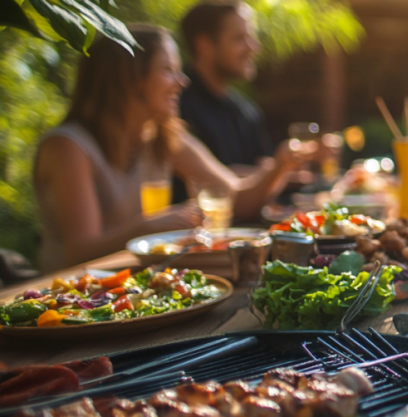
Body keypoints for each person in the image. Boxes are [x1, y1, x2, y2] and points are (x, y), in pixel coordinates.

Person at [34, 25, 303, 272]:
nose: (182, 81)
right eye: (168, 70)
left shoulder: (164, 137)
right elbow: (78, 253)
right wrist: (150, 227)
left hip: (138, 288)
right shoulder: (68, 147)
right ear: (130, 78)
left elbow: (236, 198)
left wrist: (282, 164)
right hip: (67, 300)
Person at [174, 0, 273, 202]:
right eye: (240, 38)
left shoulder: (246, 111)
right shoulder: (174, 106)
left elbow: (262, 169)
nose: (253, 47)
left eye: (252, 37)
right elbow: (217, 184)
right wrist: (280, 169)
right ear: (205, 45)